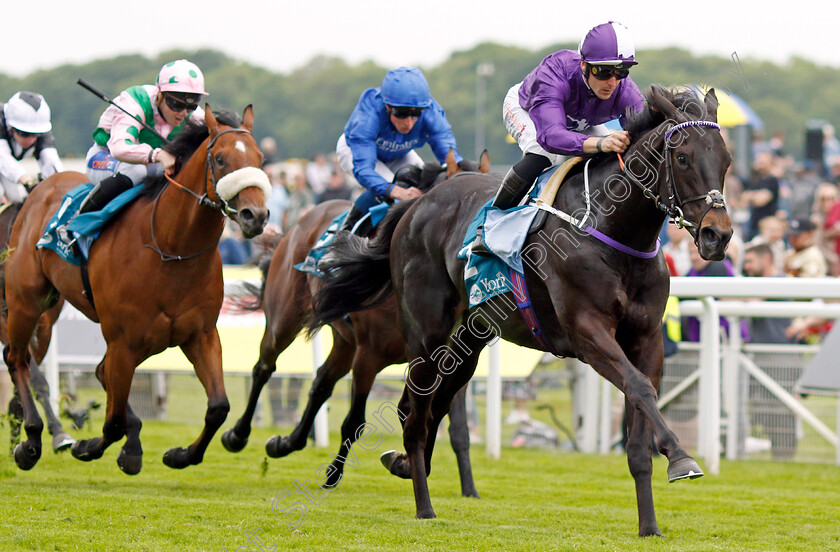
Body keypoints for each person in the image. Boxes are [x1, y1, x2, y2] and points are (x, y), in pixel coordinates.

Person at [472, 20, 644, 255]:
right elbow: (550, 136)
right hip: (529, 111)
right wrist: (601, 142)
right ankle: (490, 223)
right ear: (584, 65)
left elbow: (644, 135)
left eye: (621, 72)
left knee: (613, 156)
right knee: (543, 155)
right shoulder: (554, 72)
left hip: (580, 121)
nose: (612, 82)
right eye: (604, 72)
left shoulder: (625, 90)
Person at [335, 66, 463, 232]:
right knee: (392, 191)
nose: (409, 123)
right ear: (387, 106)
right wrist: (395, 191)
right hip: (355, 150)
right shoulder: (369, 115)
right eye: (401, 113)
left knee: (422, 188)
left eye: (416, 113)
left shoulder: (431, 112)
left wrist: (461, 172)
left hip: (401, 152)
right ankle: (342, 237)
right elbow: (365, 169)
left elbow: (449, 155)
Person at [81, 59, 208, 214]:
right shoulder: (135, 100)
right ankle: (77, 221)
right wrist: (158, 154)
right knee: (136, 170)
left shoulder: (194, 116)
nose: (183, 113)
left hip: (150, 163)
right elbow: (119, 148)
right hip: (105, 157)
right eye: (177, 105)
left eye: (190, 106)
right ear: (160, 95)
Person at [0, 91, 63, 203]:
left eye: (36, 135)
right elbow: (3, 158)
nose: (31, 140)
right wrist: (28, 181)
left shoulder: (41, 127)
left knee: (18, 198)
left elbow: (51, 161)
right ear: (10, 126)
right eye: (24, 134)